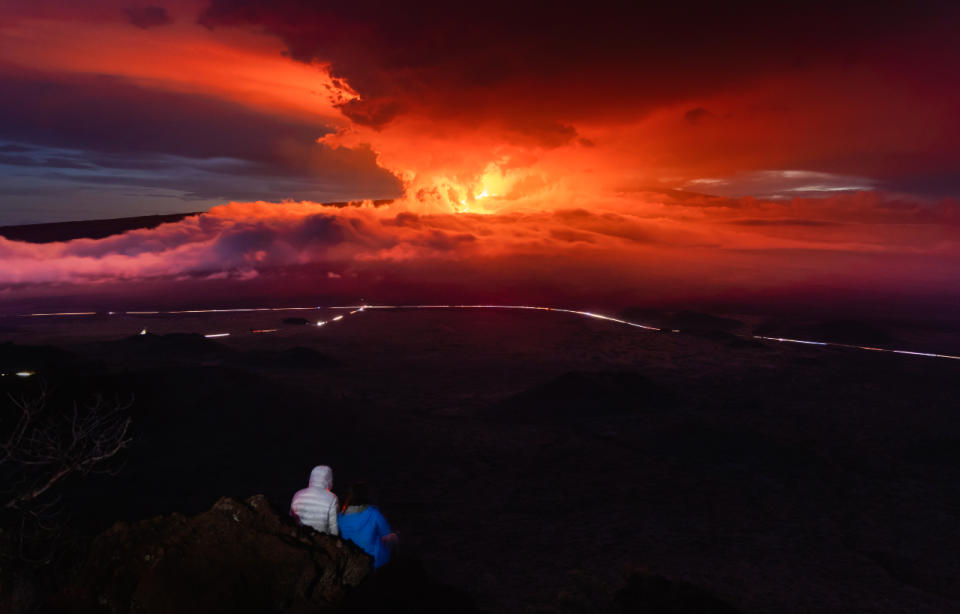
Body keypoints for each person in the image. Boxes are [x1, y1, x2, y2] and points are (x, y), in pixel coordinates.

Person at [338, 482, 397, 569]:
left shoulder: (341, 516)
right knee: (393, 537)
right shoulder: (373, 513)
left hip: (351, 560)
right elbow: (386, 532)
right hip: (372, 561)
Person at [290, 465, 339, 535]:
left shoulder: (297, 494)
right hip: (320, 540)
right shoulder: (332, 498)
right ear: (329, 479)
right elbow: (333, 528)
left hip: (299, 538)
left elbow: (291, 519)